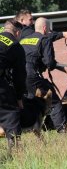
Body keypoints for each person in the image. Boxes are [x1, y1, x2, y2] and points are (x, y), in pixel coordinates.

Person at [20, 17, 67, 133]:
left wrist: (63, 68)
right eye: (49, 29)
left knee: (28, 101)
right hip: (32, 76)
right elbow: (49, 63)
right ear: (45, 28)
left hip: (19, 77)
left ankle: (27, 127)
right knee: (54, 102)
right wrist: (55, 66)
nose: (50, 32)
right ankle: (62, 131)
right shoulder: (45, 39)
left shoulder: (24, 40)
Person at [0, 19, 26, 150]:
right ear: (17, 33)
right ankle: (15, 152)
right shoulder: (16, 46)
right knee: (11, 113)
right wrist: (19, 97)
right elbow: (19, 76)